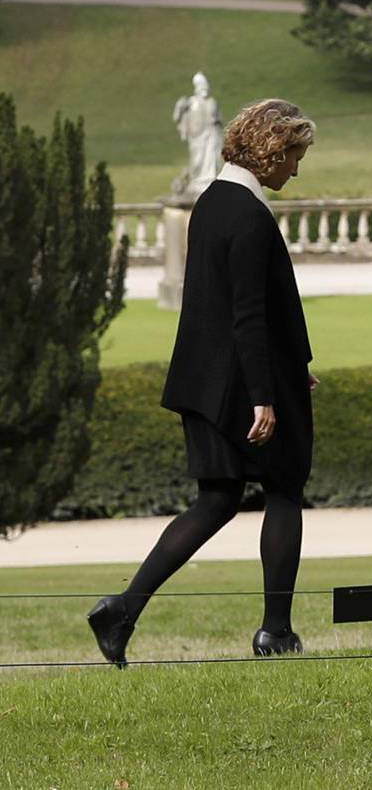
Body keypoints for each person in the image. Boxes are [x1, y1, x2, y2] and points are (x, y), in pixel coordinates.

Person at [88, 99, 317, 666]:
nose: (296, 169)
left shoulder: (213, 202)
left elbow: (229, 306)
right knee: (284, 490)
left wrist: (291, 366)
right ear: (270, 152)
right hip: (244, 387)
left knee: (216, 500)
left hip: (210, 380)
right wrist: (265, 394)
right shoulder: (247, 214)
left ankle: (122, 611)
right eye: (293, 156)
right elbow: (247, 313)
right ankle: (276, 632)